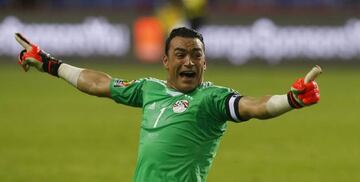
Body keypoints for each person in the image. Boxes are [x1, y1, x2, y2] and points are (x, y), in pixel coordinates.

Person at [15, 27, 320, 182]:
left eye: (196, 54)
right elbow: (99, 83)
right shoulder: (149, 89)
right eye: (180, 54)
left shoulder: (211, 99)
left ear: (205, 62)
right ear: (165, 61)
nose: (189, 61)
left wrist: (290, 100)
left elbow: (253, 106)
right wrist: (52, 65)